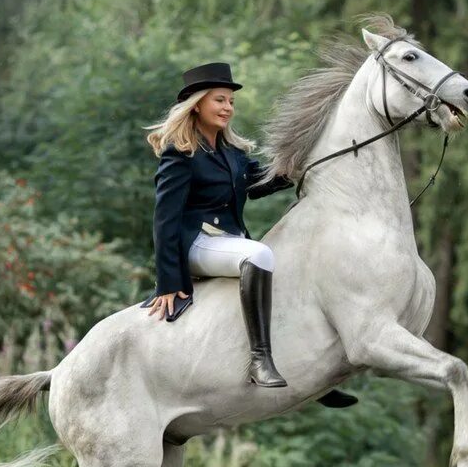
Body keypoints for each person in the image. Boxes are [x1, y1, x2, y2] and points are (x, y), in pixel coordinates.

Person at [142, 62, 355, 406]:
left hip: (226, 240)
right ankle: (259, 360)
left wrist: (309, 164)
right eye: (220, 100)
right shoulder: (180, 154)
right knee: (259, 255)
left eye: (230, 102)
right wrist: (168, 282)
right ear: (197, 104)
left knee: (284, 264)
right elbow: (164, 219)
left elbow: (257, 185)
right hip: (194, 243)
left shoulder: (232, 152)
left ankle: (308, 368)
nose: (228, 108)